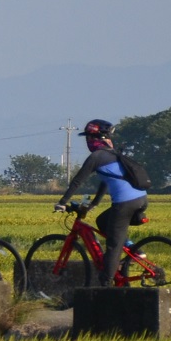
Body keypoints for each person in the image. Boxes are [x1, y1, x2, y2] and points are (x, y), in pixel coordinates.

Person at [56, 118, 148, 283]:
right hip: (141, 198)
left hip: (125, 204)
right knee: (103, 221)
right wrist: (95, 204)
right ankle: (131, 248)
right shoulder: (113, 154)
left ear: (93, 138)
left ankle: (106, 282)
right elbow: (107, 181)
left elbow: (77, 180)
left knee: (113, 245)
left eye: (88, 138)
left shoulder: (97, 156)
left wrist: (62, 202)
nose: (88, 141)